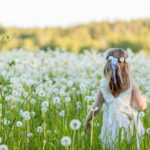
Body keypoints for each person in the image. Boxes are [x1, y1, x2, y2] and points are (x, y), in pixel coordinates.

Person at [85, 48, 148, 149]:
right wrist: (144, 99)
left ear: (107, 66)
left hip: (110, 126)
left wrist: (87, 120)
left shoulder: (103, 86)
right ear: (127, 67)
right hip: (129, 124)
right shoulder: (131, 85)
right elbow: (142, 107)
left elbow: (96, 107)